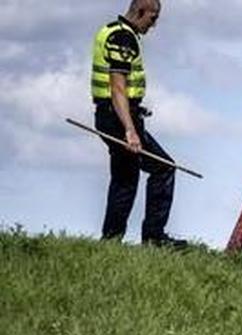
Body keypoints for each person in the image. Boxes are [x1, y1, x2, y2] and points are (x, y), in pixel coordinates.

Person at [92, 0, 186, 248]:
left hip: (113, 116)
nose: (154, 25)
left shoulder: (111, 30)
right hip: (119, 117)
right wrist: (130, 130)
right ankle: (154, 238)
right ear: (141, 12)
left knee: (125, 177)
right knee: (163, 168)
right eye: (153, 18)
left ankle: (111, 241)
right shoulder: (123, 38)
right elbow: (118, 89)